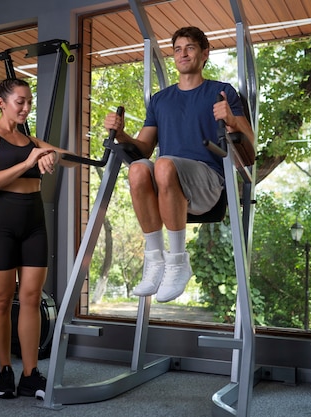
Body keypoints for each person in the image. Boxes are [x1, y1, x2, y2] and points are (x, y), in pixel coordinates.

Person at [104, 26, 255, 303]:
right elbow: (143, 149)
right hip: (169, 182)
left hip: (207, 182)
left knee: (162, 164)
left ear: (204, 54)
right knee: (138, 169)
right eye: (177, 49)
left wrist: (232, 120)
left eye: (190, 48)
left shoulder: (222, 92)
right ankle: (155, 261)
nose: (182, 54)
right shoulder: (160, 101)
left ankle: (177, 262)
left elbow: (250, 151)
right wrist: (121, 133)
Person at [0, 78, 75, 399]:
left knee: (32, 298)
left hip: (35, 223)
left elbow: (70, 157)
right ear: (2, 103)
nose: (26, 107)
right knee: (3, 299)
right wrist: (29, 161)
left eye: (29, 101)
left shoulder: (33, 140)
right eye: (20, 101)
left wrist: (53, 156)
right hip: (2, 223)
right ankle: (5, 371)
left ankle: (31, 374)